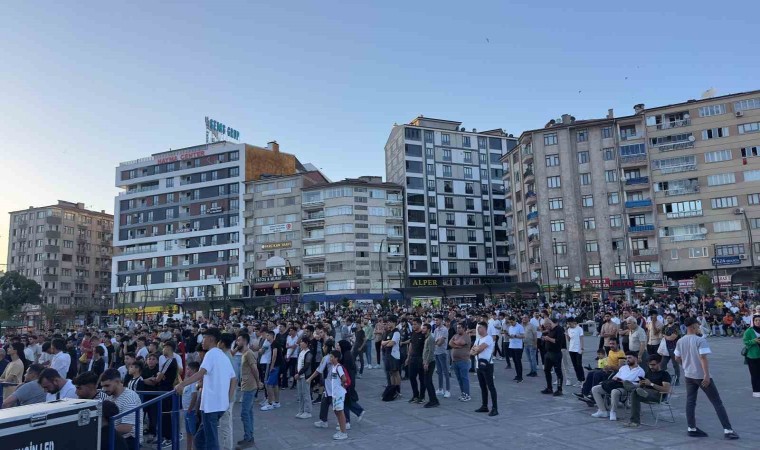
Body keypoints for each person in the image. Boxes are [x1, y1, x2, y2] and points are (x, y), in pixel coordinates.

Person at [675, 317, 739, 440]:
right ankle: (728, 430)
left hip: (689, 375)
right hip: (700, 375)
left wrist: (685, 365)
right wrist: (706, 375)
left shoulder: (680, 341)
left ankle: (691, 428)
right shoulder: (700, 340)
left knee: (690, 401)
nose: (699, 327)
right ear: (693, 326)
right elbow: (703, 358)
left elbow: (677, 358)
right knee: (717, 402)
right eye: (697, 325)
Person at [174, 328, 237, 450]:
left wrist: (182, 384)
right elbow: (233, 379)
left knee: (211, 442)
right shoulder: (223, 356)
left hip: (211, 406)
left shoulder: (211, 354)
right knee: (199, 439)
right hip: (219, 406)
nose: (202, 341)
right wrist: (227, 400)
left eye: (204, 338)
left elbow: (200, 373)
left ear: (211, 339)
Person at [590, 352, 645, 421]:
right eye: (626, 358)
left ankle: (613, 412)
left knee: (614, 391)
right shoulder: (624, 368)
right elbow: (615, 377)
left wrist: (624, 382)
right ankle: (602, 411)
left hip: (626, 388)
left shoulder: (640, 371)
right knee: (595, 389)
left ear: (636, 359)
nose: (627, 360)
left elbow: (638, 384)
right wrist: (616, 378)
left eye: (629, 358)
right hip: (616, 384)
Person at [624, 355, 672, 428]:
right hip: (645, 392)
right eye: (650, 365)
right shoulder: (649, 373)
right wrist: (642, 384)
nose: (651, 367)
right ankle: (635, 422)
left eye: (653, 365)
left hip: (658, 395)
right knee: (628, 385)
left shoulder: (665, 374)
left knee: (636, 392)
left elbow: (666, 390)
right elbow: (645, 385)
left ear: (659, 363)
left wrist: (651, 384)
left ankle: (637, 390)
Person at [101, 368, 142, 449]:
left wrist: (101, 431)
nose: (104, 389)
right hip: (117, 436)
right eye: (102, 386)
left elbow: (126, 427)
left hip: (130, 439)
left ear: (117, 382)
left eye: (107, 385)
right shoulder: (110, 397)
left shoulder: (130, 397)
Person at [237, 333, 262, 447]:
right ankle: (249, 436)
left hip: (249, 386)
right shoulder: (244, 353)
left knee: (245, 413)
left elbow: (254, 369)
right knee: (249, 412)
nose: (237, 342)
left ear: (245, 341)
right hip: (246, 386)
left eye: (239, 340)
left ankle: (248, 438)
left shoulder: (248, 353)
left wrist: (258, 382)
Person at [471, 322, 497, 416]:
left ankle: (495, 408)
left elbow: (479, 349)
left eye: (480, 327)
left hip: (487, 365)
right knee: (482, 387)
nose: (478, 329)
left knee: (490, 386)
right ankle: (484, 406)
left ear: (485, 328)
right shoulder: (478, 339)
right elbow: (471, 352)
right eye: (478, 328)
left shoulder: (488, 338)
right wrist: (476, 349)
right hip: (479, 365)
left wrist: (476, 349)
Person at [540, 317, 566, 396]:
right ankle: (549, 388)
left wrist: (548, 338)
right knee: (546, 370)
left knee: (558, 372)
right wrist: (545, 339)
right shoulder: (550, 330)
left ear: (550, 323)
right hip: (548, 353)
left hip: (556, 353)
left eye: (546, 326)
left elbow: (558, 341)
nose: (546, 328)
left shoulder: (559, 329)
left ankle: (559, 389)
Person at [327, 350, 349, 440]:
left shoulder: (338, 367)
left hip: (339, 393)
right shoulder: (333, 367)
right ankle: (341, 429)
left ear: (336, 358)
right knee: (336, 411)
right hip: (335, 393)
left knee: (340, 411)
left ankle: (343, 432)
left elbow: (344, 378)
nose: (330, 358)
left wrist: (341, 386)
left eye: (332, 357)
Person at [449, 322, 471, 401]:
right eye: (457, 328)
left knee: (464, 378)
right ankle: (463, 393)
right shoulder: (455, 335)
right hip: (455, 361)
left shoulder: (466, 336)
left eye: (459, 328)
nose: (457, 329)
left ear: (464, 328)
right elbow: (450, 343)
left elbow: (460, 342)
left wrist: (454, 342)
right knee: (459, 378)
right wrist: (456, 345)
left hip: (463, 360)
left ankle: (467, 395)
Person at [294, 336, 314, 419]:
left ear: (306, 343)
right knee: (300, 394)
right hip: (299, 376)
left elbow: (306, 365)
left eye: (302, 342)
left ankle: (307, 411)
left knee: (306, 394)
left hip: (305, 376)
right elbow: (298, 364)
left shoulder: (309, 353)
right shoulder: (301, 352)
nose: (300, 343)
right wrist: (296, 373)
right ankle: (301, 410)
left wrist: (299, 373)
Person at [182, 361, 200, 450]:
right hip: (186, 410)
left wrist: (190, 409)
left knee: (193, 433)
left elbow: (194, 396)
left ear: (194, 370)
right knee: (188, 433)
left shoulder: (193, 382)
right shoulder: (188, 381)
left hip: (191, 411)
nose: (187, 371)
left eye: (189, 369)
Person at [661, 313, 682, 386]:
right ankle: (664, 379)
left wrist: (665, 336)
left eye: (669, 318)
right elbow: (661, 335)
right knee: (662, 365)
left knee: (675, 365)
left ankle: (677, 380)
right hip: (665, 349)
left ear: (673, 319)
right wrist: (666, 336)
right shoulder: (665, 327)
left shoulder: (676, 327)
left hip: (674, 348)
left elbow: (672, 338)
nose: (668, 319)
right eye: (667, 318)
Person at [741, 314, 760, 398]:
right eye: (756, 320)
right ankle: (756, 391)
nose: (758, 322)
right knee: (755, 374)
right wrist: (754, 341)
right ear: (753, 321)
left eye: (759, 320)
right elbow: (745, 342)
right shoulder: (749, 331)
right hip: (752, 356)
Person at [421, 323, 439, 408]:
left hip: (430, 363)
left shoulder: (430, 338)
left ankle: (433, 400)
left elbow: (431, 351)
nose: (422, 330)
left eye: (424, 328)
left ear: (428, 329)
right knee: (428, 382)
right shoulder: (427, 338)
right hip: (426, 362)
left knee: (428, 382)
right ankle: (434, 399)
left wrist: (426, 363)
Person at [566, 317, 585, 386]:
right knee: (575, 365)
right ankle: (578, 380)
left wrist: (582, 348)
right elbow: (569, 340)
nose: (569, 325)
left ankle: (582, 380)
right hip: (571, 349)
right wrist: (566, 334)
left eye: (570, 323)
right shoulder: (568, 329)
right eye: (568, 324)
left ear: (573, 322)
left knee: (579, 365)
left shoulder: (579, 329)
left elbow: (581, 338)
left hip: (578, 349)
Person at [506, 316, 525, 382]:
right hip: (512, 345)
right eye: (510, 322)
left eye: (512, 322)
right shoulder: (510, 327)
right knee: (515, 361)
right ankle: (517, 375)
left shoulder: (520, 327)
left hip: (518, 346)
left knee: (518, 361)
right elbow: (510, 335)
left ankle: (520, 377)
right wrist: (509, 336)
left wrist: (516, 336)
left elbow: (523, 336)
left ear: (515, 320)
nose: (511, 323)